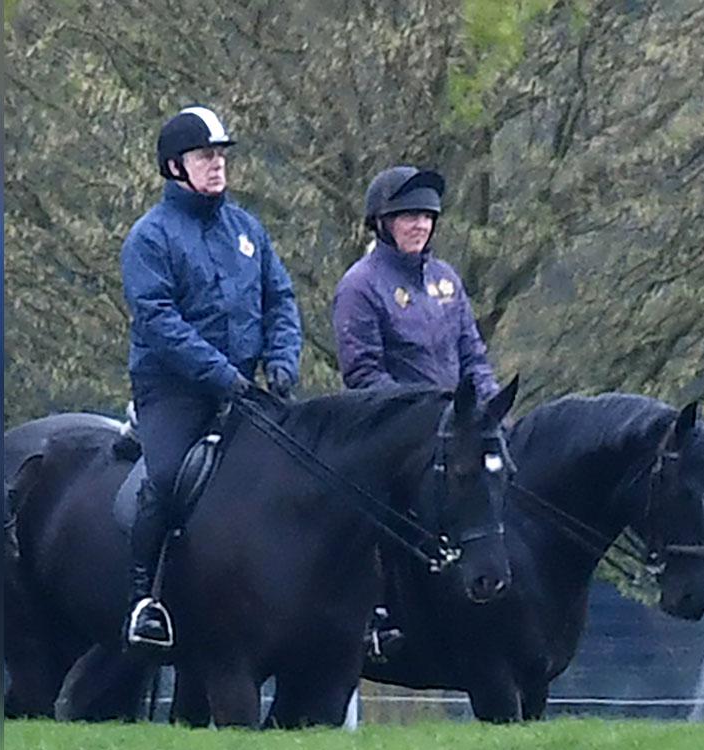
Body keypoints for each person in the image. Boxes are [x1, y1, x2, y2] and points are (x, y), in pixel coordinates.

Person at [120, 106, 301, 649]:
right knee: (169, 478)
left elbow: (280, 298)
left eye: (221, 155)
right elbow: (159, 321)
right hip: (175, 390)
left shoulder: (248, 229)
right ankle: (144, 601)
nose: (217, 165)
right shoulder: (150, 238)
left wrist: (284, 359)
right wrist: (220, 375)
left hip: (246, 386)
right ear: (176, 166)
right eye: (206, 156)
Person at [331, 165, 501, 658]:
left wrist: (488, 411)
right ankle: (375, 615)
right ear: (382, 223)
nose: (419, 226)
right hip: (395, 435)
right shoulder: (361, 286)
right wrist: (421, 422)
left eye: (426, 217)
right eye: (407, 217)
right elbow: (363, 373)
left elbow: (473, 354)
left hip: (457, 429)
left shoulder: (447, 280)